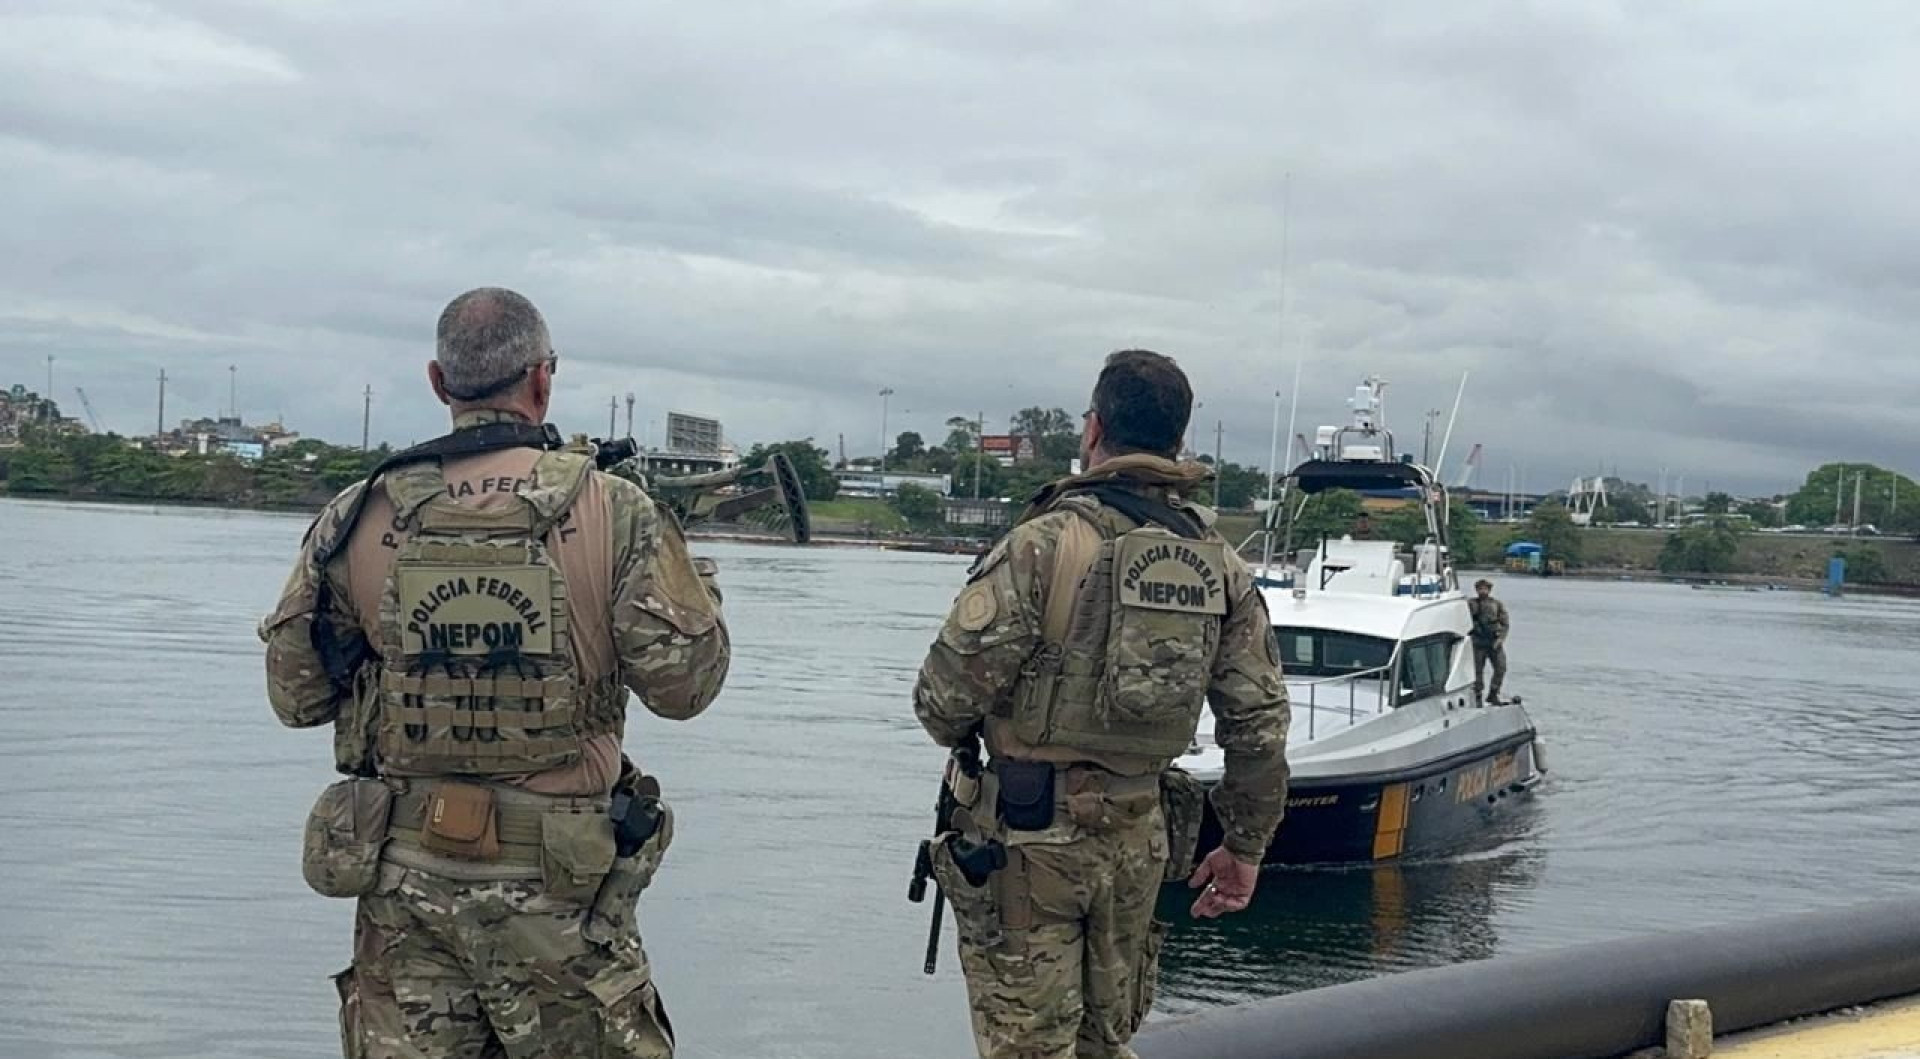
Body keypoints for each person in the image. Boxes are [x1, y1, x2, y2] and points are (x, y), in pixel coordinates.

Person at [258, 287, 730, 1058]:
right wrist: (699, 587)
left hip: (405, 884)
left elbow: (296, 694)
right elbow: (686, 688)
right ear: (543, 380)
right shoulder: (617, 511)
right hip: (559, 890)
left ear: (440, 383)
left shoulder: (358, 513)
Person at [911, 349, 1292, 1059]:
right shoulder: (1218, 563)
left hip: (1027, 845)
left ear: (1093, 430)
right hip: (1139, 841)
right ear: (1177, 440)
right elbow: (1259, 725)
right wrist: (1244, 845)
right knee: (1105, 1041)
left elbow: (940, 702)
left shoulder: (1042, 545)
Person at [1469, 578, 1509, 704]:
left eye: (1485, 589)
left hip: (1494, 641)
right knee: (1477, 670)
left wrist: (1501, 639)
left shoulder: (1497, 604)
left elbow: (1505, 624)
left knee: (1501, 668)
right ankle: (1478, 695)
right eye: (1480, 589)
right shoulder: (1470, 604)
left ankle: (1493, 693)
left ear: (1489, 590)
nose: (1482, 591)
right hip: (1478, 642)